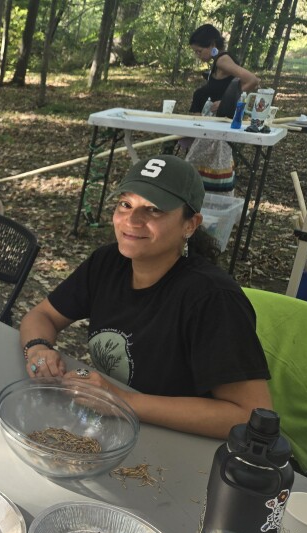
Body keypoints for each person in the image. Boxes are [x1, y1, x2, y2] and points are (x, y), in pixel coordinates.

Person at [19, 155, 271, 440]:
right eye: (125, 204)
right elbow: (42, 315)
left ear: (190, 224)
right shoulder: (107, 262)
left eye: (154, 210)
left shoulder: (212, 298)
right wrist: (39, 349)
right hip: (106, 431)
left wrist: (121, 399)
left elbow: (249, 416)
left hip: (178, 448)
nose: (132, 220)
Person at [188, 24, 260, 115]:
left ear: (212, 44)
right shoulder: (218, 60)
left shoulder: (222, 60)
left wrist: (226, 102)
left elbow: (252, 80)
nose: (197, 55)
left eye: (199, 51)